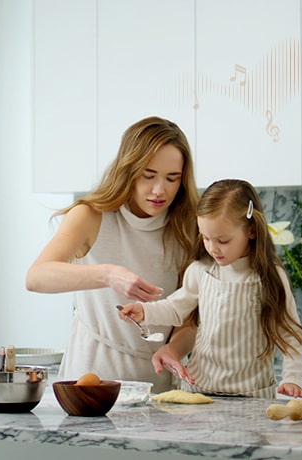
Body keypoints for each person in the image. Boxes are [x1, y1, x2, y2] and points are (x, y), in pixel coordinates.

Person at [26, 116, 200, 391]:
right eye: (148, 175)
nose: (159, 190)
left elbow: (189, 315)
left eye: (172, 178)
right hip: (90, 378)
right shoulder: (90, 216)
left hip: (156, 382)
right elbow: (36, 277)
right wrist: (107, 274)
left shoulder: (187, 228)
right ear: (128, 169)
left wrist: (174, 350)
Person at [119, 179, 302, 398]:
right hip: (200, 391)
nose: (212, 248)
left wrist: (292, 378)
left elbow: (291, 334)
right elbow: (175, 308)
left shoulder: (270, 277)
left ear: (252, 231)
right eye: (206, 238)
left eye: (222, 240)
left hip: (252, 396)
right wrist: (145, 312)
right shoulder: (201, 270)